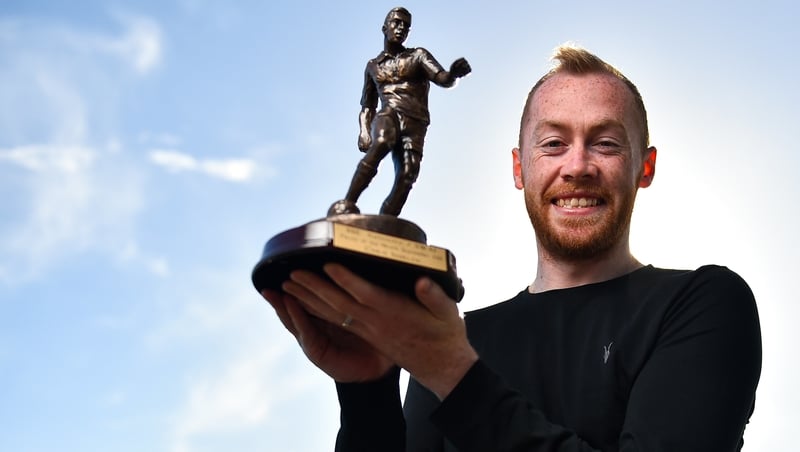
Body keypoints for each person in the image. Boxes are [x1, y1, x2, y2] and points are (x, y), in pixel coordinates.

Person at [264, 45, 762, 451]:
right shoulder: (456, 337)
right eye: (552, 144)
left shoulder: (703, 303)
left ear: (644, 168)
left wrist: (452, 373)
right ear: (519, 168)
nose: (578, 166)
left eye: (606, 143)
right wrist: (366, 391)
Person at [328, 7, 471, 217]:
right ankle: (348, 201)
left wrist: (453, 74)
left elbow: (442, 78)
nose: (401, 28)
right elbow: (368, 106)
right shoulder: (373, 66)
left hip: (416, 122)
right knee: (383, 141)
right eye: (397, 22)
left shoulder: (418, 55)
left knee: (407, 175)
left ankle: (387, 221)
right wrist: (365, 131)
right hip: (389, 113)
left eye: (406, 26)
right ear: (384, 28)